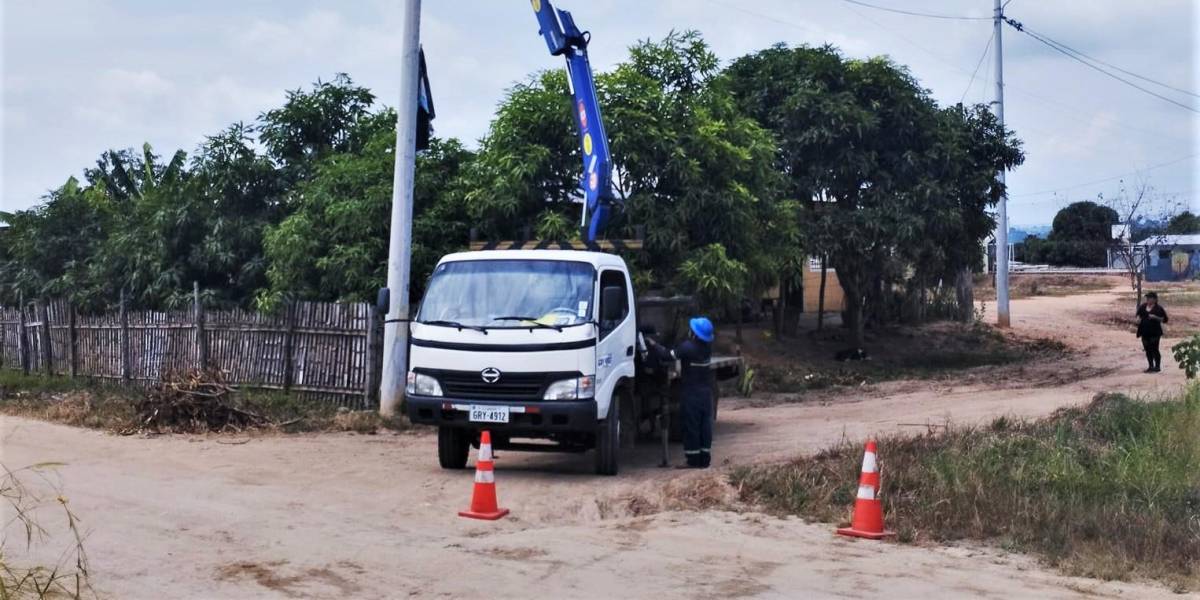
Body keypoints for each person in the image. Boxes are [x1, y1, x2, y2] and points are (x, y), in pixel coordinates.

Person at [649, 317, 715, 468]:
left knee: (691, 426)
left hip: (692, 394)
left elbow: (667, 355)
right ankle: (704, 459)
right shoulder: (707, 349)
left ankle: (692, 460)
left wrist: (654, 345)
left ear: (695, 333)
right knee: (705, 426)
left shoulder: (688, 347)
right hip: (705, 393)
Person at [1136, 292, 1168, 373]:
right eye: (1147, 298)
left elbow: (1165, 319)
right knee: (1147, 349)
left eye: (1150, 298)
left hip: (1155, 332)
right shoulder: (1143, 306)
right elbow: (1138, 315)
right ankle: (1150, 366)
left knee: (1154, 349)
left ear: (1155, 299)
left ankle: (1157, 367)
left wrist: (1155, 317)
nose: (1148, 299)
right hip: (1144, 331)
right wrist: (1138, 319)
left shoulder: (1159, 308)